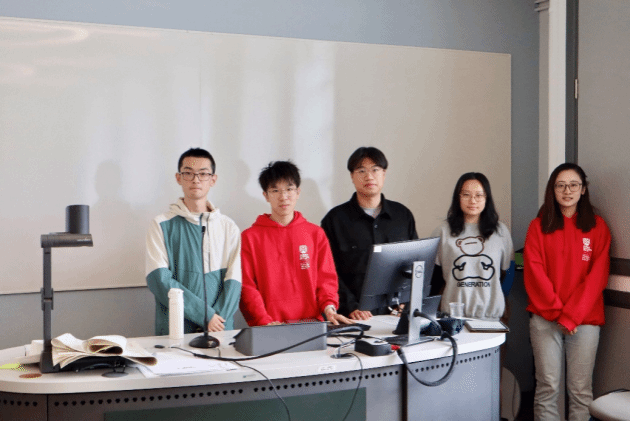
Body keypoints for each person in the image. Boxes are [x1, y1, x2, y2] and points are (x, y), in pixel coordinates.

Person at [524, 163, 610, 421]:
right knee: (547, 388)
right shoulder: (538, 226)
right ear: (553, 190)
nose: (567, 190)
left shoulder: (597, 227)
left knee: (581, 391)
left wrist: (571, 316)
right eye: (560, 185)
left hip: (584, 320)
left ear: (583, 189)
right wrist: (556, 312)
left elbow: (597, 276)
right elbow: (534, 272)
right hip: (545, 318)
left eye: (573, 185)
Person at [239, 161, 352, 326]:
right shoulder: (249, 237)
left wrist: (329, 308)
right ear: (266, 195)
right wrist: (264, 321)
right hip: (270, 326)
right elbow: (247, 286)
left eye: (289, 189)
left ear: (298, 192)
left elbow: (326, 279)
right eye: (275, 190)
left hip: (312, 324)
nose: (283, 197)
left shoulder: (315, 234)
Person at [145, 148, 241, 335]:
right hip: (176, 329)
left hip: (219, 330)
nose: (196, 180)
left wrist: (216, 320)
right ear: (179, 178)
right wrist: (205, 315)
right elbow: (159, 280)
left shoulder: (228, 227)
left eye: (203, 174)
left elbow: (234, 280)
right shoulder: (161, 224)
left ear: (213, 179)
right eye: (188, 173)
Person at [321, 147, 418, 320]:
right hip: (352, 317)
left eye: (375, 170)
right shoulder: (334, 220)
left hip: (396, 316)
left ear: (384, 174)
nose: (369, 176)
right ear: (352, 176)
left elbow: (415, 263)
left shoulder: (402, 216)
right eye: (361, 171)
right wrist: (351, 306)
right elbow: (328, 271)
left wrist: (406, 302)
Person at [431, 172, 513, 320]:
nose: (472, 201)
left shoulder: (501, 231)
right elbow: (433, 278)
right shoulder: (442, 231)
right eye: (466, 194)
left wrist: (501, 297)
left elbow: (510, 269)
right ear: (458, 197)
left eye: (479, 195)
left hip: (491, 316)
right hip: (453, 316)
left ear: (487, 198)